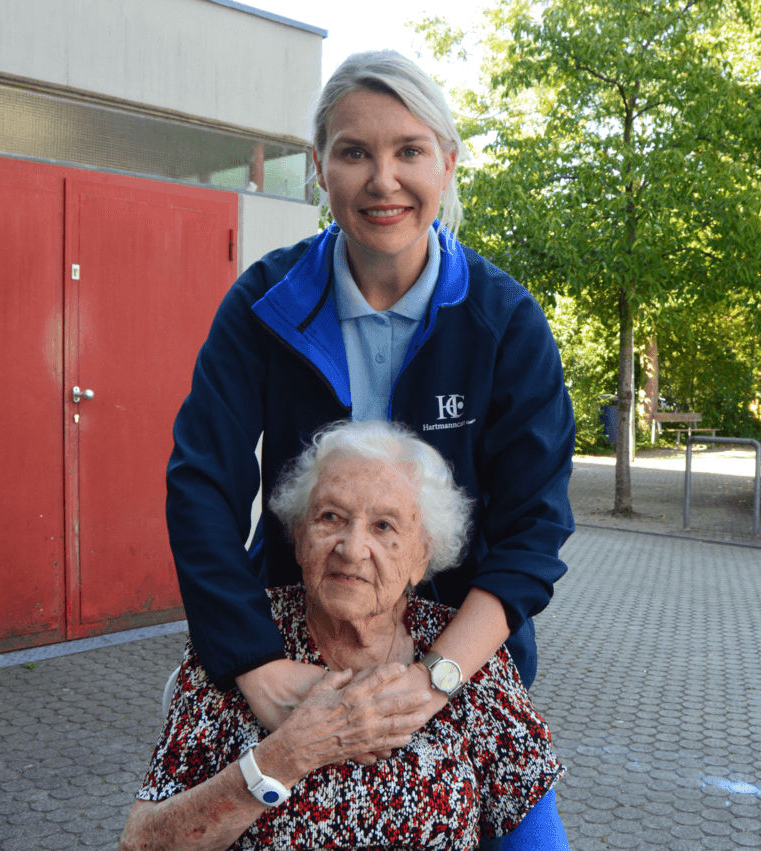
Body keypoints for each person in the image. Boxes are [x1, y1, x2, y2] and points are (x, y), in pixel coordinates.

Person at [166, 49, 574, 747]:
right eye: (354, 152)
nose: (383, 180)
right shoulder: (263, 308)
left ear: (446, 164)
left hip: (459, 663)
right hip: (297, 655)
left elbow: (533, 527)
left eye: (409, 150)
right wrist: (253, 659)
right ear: (320, 167)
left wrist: (436, 676)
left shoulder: (505, 323)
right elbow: (202, 483)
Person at [123, 421, 565, 850]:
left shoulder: (469, 656)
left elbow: (537, 839)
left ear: (421, 557)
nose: (352, 549)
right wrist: (283, 758)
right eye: (331, 517)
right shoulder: (242, 644)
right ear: (298, 538)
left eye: (384, 526)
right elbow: (141, 842)